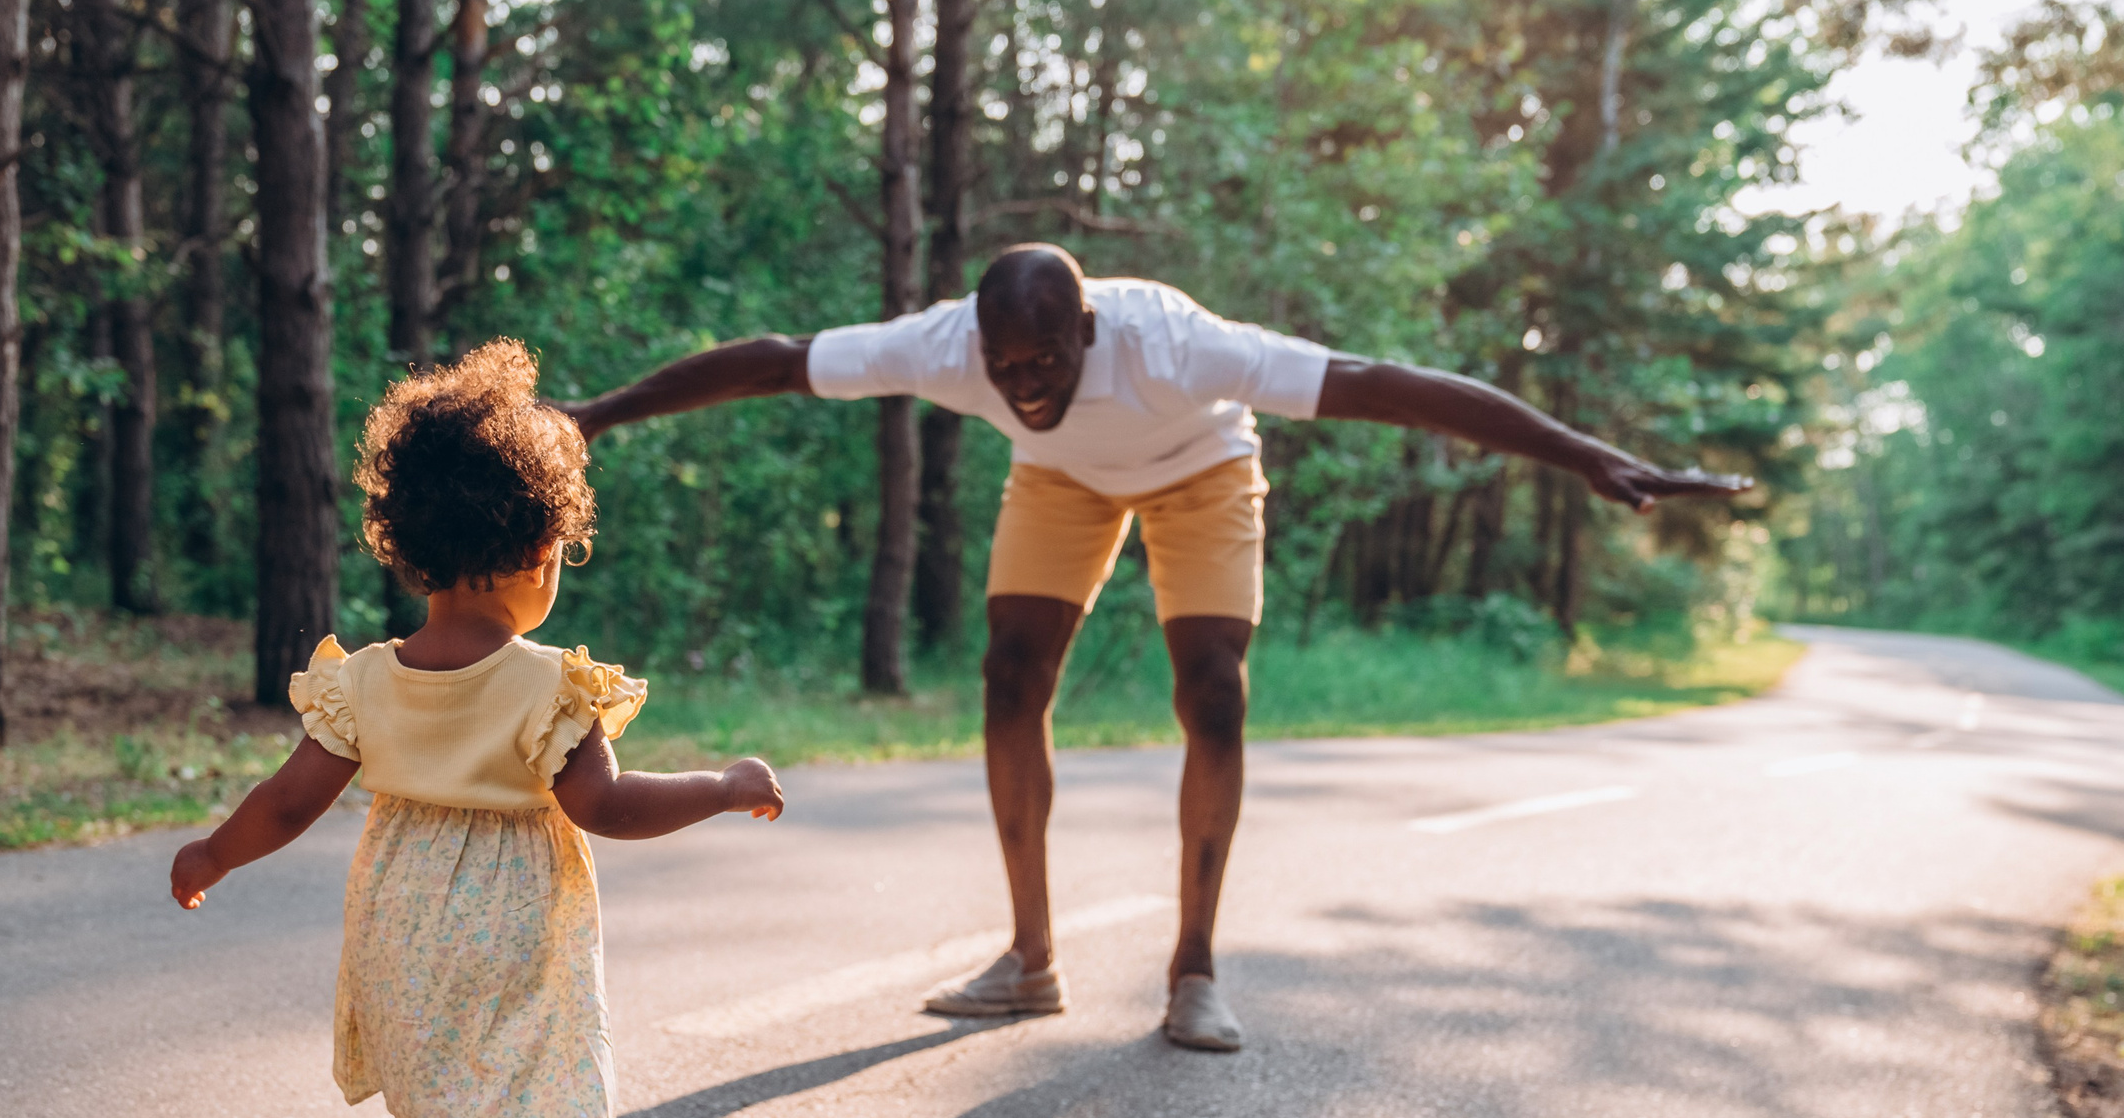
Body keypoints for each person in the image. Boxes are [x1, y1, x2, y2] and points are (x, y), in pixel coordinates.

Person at [556, 244, 1744, 1053]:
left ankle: (1192, 970)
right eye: (1004, 368)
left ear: (1088, 330)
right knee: (1008, 677)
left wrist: (1584, 456)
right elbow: (772, 359)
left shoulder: (1178, 346)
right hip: (1063, 487)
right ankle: (1028, 959)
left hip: (1203, 468)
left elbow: (1392, 388)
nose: (1022, 386)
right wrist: (599, 414)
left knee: (1212, 694)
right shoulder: (949, 347)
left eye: (1046, 364)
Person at [169, 340, 785, 1118]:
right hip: (509, 919)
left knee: (452, 1107)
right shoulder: (548, 685)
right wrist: (724, 785)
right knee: (510, 1117)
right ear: (545, 546)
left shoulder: (361, 682)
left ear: (405, 547)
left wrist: (212, 854)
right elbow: (606, 806)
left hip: (397, 917)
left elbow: (286, 802)